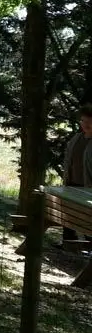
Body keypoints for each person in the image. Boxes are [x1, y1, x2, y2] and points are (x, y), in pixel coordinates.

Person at [61, 104, 92, 243]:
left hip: (88, 188)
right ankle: (68, 242)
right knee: (68, 215)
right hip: (71, 184)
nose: (86, 124)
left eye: (89, 121)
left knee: (87, 219)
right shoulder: (77, 138)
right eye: (83, 121)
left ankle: (88, 245)